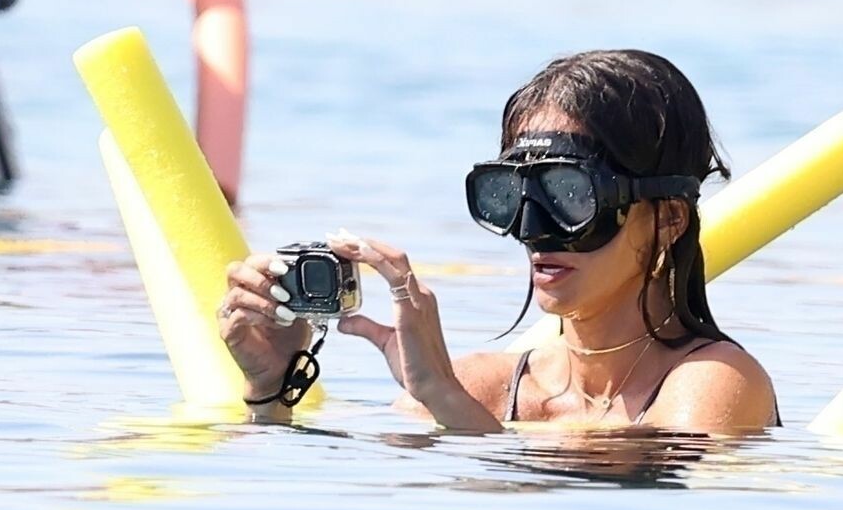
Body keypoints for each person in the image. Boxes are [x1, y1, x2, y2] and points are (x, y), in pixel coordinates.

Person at [217, 49, 780, 433]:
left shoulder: (715, 383)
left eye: (570, 194)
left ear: (669, 219)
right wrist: (270, 393)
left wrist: (443, 398)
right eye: (510, 196)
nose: (534, 229)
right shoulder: (482, 386)